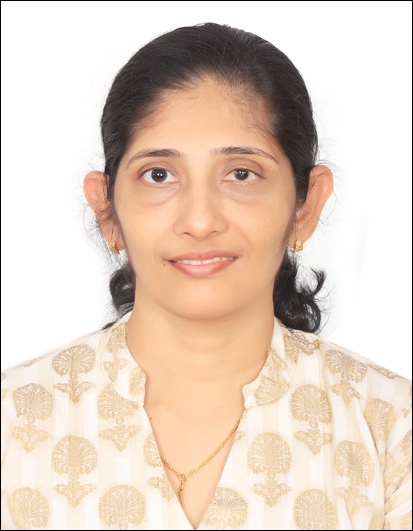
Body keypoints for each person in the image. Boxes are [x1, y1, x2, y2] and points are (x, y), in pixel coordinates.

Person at [1, 22, 411, 531]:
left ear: (305, 207)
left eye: (241, 173)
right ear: (108, 210)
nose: (199, 221)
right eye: (159, 175)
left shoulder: (392, 428)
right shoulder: (12, 420)